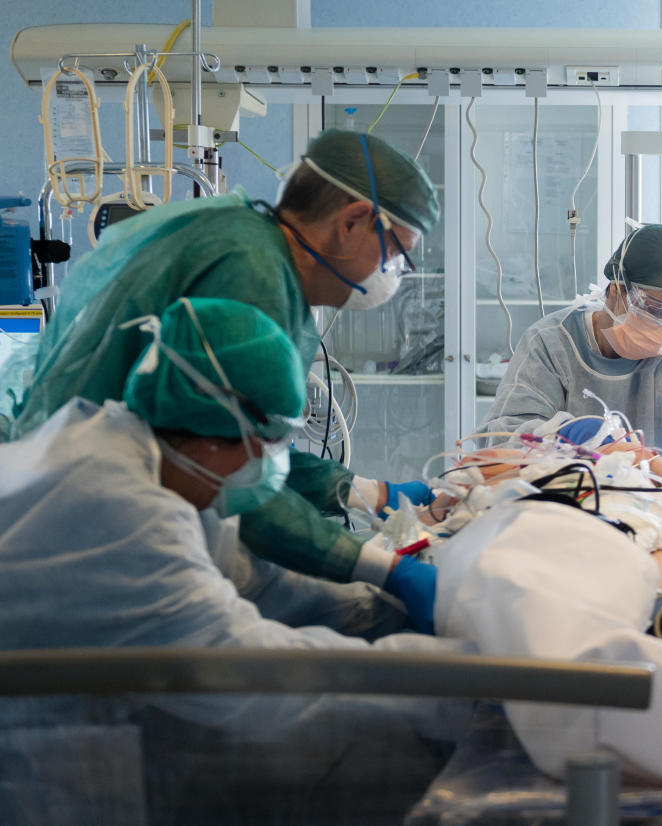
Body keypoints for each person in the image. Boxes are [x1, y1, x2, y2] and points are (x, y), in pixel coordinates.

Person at [0, 298, 468, 823]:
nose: (273, 463)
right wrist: (452, 682)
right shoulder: (125, 508)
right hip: (42, 746)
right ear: (215, 430)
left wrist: (381, 603)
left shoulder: (130, 447)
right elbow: (248, 670)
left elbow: (253, 581)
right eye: (269, 443)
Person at [8, 129, 439, 609]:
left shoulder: (254, 247)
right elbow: (217, 463)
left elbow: (238, 448)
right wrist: (382, 569)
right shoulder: (248, 271)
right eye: (398, 254)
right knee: (360, 613)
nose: (395, 274)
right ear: (353, 222)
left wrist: (366, 493)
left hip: (107, 486)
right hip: (93, 519)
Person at [481, 223, 662, 488]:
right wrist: (576, 444)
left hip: (650, 508)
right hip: (559, 501)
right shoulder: (551, 343)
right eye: (656, 310)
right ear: (615, 291)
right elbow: (504, 443)